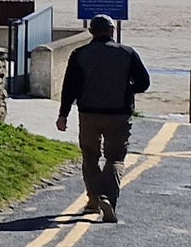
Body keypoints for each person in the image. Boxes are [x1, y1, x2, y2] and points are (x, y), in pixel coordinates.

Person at [57, 15, 152, 221]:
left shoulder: (80, 54)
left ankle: (93, 200)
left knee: (90, 156)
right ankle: (107, 197)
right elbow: (144, 83)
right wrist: (127, 89)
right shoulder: (127, 53)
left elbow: (69, 87)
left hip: (89, 113)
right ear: (112, 30)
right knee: (115, 158)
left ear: (91, 32)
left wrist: (63, 115)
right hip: (118, 114)